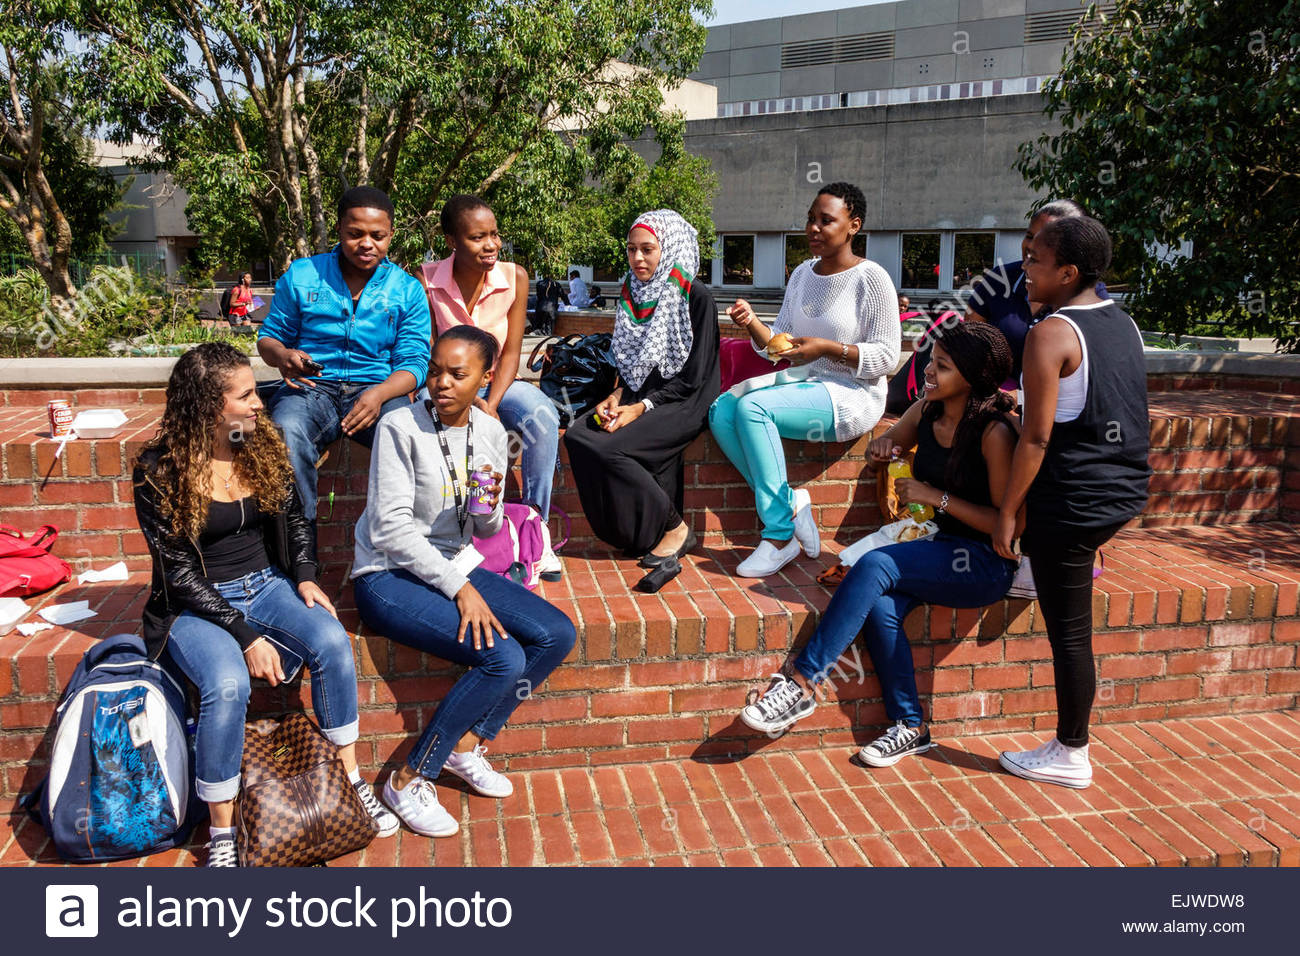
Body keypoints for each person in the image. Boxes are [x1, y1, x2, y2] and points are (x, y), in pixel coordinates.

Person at [132, 343, 397, 868]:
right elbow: (180, 576)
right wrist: (245, 634)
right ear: (209, 406)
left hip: (267, 583)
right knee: (227, 683)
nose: (259, 403)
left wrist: (302, 575)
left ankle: (349, 780)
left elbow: (295, 518)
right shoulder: (159, 471)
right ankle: (224, 833)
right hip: (196, 606)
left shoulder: (253, 443)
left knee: (330, 641)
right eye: (246, 394)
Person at [739, 323, 1019, 766]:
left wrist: (935, 497)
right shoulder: (929, 409)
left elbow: (1006, 522)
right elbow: (886, 445)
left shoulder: (993, 432)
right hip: (934, 545)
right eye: (931, 359)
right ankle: (910, 725)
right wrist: (881, 451)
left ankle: (801, 683)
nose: (929, 370)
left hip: (983, 562)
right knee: (881, 608)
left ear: (971, 376)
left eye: (943, 366)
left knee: (875, 566)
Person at [352, 326, 576, 836]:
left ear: (486, 377)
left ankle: (468, 745)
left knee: (556, 634)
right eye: (435, 370)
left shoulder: (491, 431)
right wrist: (460, 588)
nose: (442, 383)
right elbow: (389, 528)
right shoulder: (399, 426)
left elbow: (487, 528)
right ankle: (408, 778)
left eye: (458, 374)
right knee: (504, 657)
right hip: (387, 574)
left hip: (455, 562)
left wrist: (490, 505)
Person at [993, 216, 1150, 790]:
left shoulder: (1050, 333)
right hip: (1123, 490)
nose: (1025, 271)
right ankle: (1045, 566)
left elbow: (1035, 438)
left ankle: (1070, 751)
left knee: (1070, 635)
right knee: (1065, 584)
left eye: (1034, 260)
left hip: (1075, 502)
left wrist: (1009, 513)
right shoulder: (1123, 324)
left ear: (1067, 271)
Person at [710, 182, 900, 578]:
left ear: (853, 226)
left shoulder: (872, 278)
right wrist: (752, 324)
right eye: (810, 219)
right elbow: (777, 345)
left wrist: (828, 349)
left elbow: (886, 357)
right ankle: (790, 504)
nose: (813, 228)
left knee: (753, 407)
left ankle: (779, 536)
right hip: (805, 383)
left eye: (826, 220)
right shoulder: (801, 274)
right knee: (722, 409)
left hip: (853, 394)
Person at [564, 210, 720, 592]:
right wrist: (616, 396)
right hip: (639, 394)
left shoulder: (695, 297)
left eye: (648, 250)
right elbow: (630, 363)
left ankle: (676, 528)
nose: (638, 259)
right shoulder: (632, 292)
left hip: (685, 401)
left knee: (612, 450)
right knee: (578, 435)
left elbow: (692, 378)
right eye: (632, 250)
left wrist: (640, 408)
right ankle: (632, 533)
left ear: (669, 249)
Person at [257, 186, 431, 527]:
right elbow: (269, 339)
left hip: (379, 389)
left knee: (407, 435)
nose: (367, 243)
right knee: (286, 431)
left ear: (391, 235)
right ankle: (299, 548)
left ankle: (399, 540)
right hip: (312, 386)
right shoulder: (303, 275)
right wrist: (284, 355)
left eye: (377, 236)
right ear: (339, 229)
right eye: (355, 234)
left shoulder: (406, 288)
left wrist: (379, 395)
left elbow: (415, 362)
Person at [421, 195, 561, 542]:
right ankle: (441, 532)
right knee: (419, 418)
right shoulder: (426, 281)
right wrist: (462, 397)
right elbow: (429, 355)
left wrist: (491, 404)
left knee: (543, 415)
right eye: (477, 237)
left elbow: (512, 352)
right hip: (447, 384)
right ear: (451, 241)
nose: (491, 245)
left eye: (494, 234)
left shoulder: (515, 277)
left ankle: (534, 529)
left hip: (498, 381)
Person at [965, 199, 1108, 378]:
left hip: (1054, 402)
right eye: (1030, 236)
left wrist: (1019, 396)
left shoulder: (1090, 299)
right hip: (994, 397)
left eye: (1045, 241)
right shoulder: (998, 279)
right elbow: (968, 345)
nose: (1032, 246)